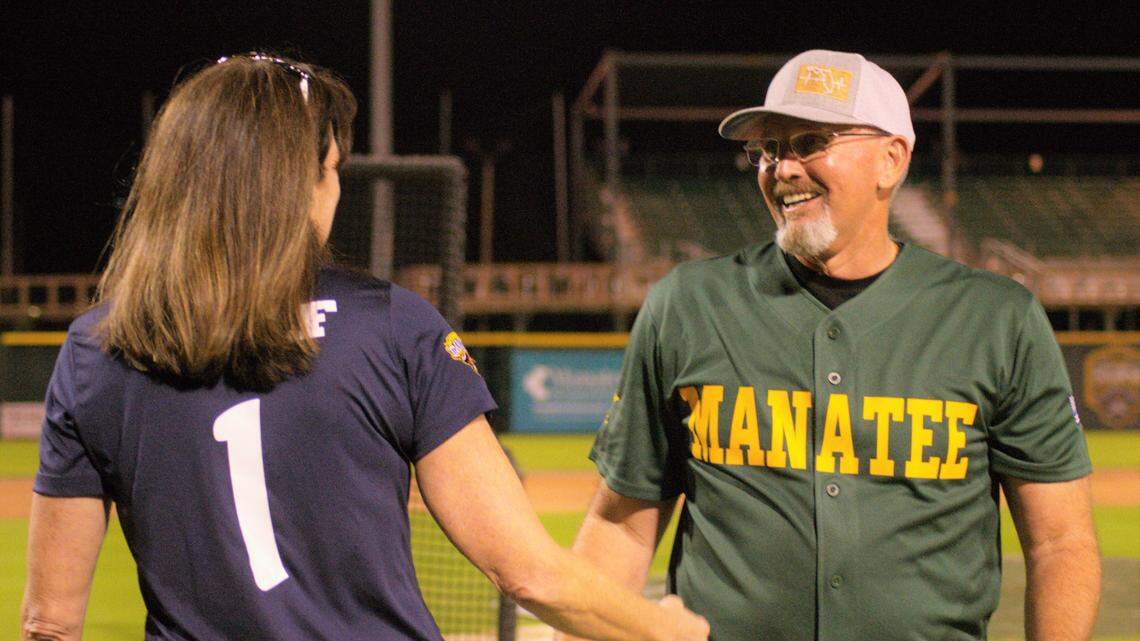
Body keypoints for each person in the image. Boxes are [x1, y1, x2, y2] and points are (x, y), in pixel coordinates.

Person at [21, 53, 709, 641]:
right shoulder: (394, 327)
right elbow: (525, 569)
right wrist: (668, 626)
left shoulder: (98, 348)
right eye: (332, 167)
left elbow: (49, 621)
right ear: (300, 182)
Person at [565, 50, 1100, 641]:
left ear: (891, 160)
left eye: (810, 141)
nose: (782, 168)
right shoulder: (687, 305)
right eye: (768, 149)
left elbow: (1060, 543)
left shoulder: (998, 318)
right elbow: (620, 528)